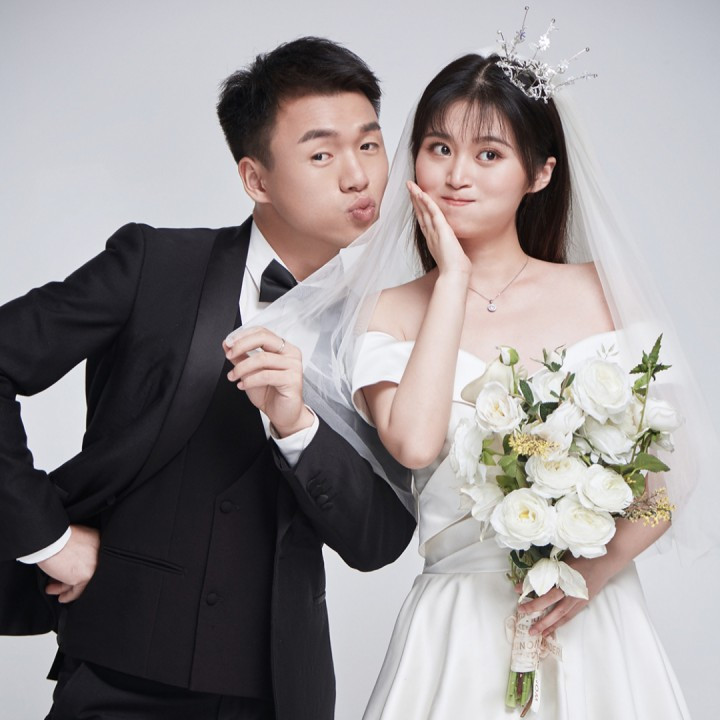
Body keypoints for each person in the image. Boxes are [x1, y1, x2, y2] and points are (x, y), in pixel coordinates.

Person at [0, 36, 415, 720]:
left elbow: (378, 542)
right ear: (256, 180)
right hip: (118, 677)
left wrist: (297, 425)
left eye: (370, 144)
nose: (358, 176)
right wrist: (48, 539)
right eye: (321, 154)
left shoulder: (385, 320)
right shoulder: (154, 266)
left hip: (276, 694)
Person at [346, 52, 701, 718]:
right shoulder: (386, 312)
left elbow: (668, 487)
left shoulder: (602, 293)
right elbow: (415, 444)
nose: (456, 175)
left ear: (539, 173)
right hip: (457, 627)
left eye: (488, 154)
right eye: (439, 148)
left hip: (592, 621)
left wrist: (592, 573)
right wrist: (452, 280)